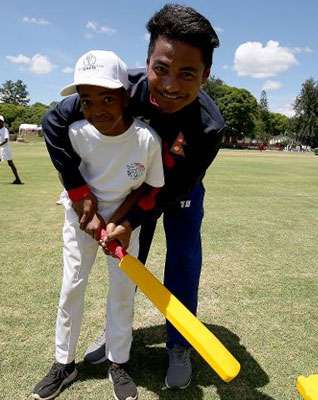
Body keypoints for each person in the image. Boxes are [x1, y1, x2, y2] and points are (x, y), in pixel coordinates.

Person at [41, 4, 223, 390]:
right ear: (147, 62)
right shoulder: (122, 89)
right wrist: (79, 193)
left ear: (205, 75)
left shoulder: (208, 127)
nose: (170, 84)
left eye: (187, 73)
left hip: (177, 190)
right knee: (129, 266)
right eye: (161, 69)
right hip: (131, 189)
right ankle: (114, 333)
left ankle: (178, 345)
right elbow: (53, 120)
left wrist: (127, 221)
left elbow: (171, 189)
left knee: (183, 261)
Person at [31, 50, 164, 400]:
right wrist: (87, 215)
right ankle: (64, 363)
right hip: (80, 221)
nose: (98, 109)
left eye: (107, 97)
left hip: (123, 225)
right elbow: (74, 182)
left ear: (125, 96)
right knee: (71, 285)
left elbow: (151, 188)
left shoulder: (146, 140)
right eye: (87, 100)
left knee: (121, 293)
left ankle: (118, 361)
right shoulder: (75, 133)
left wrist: (121, 222)